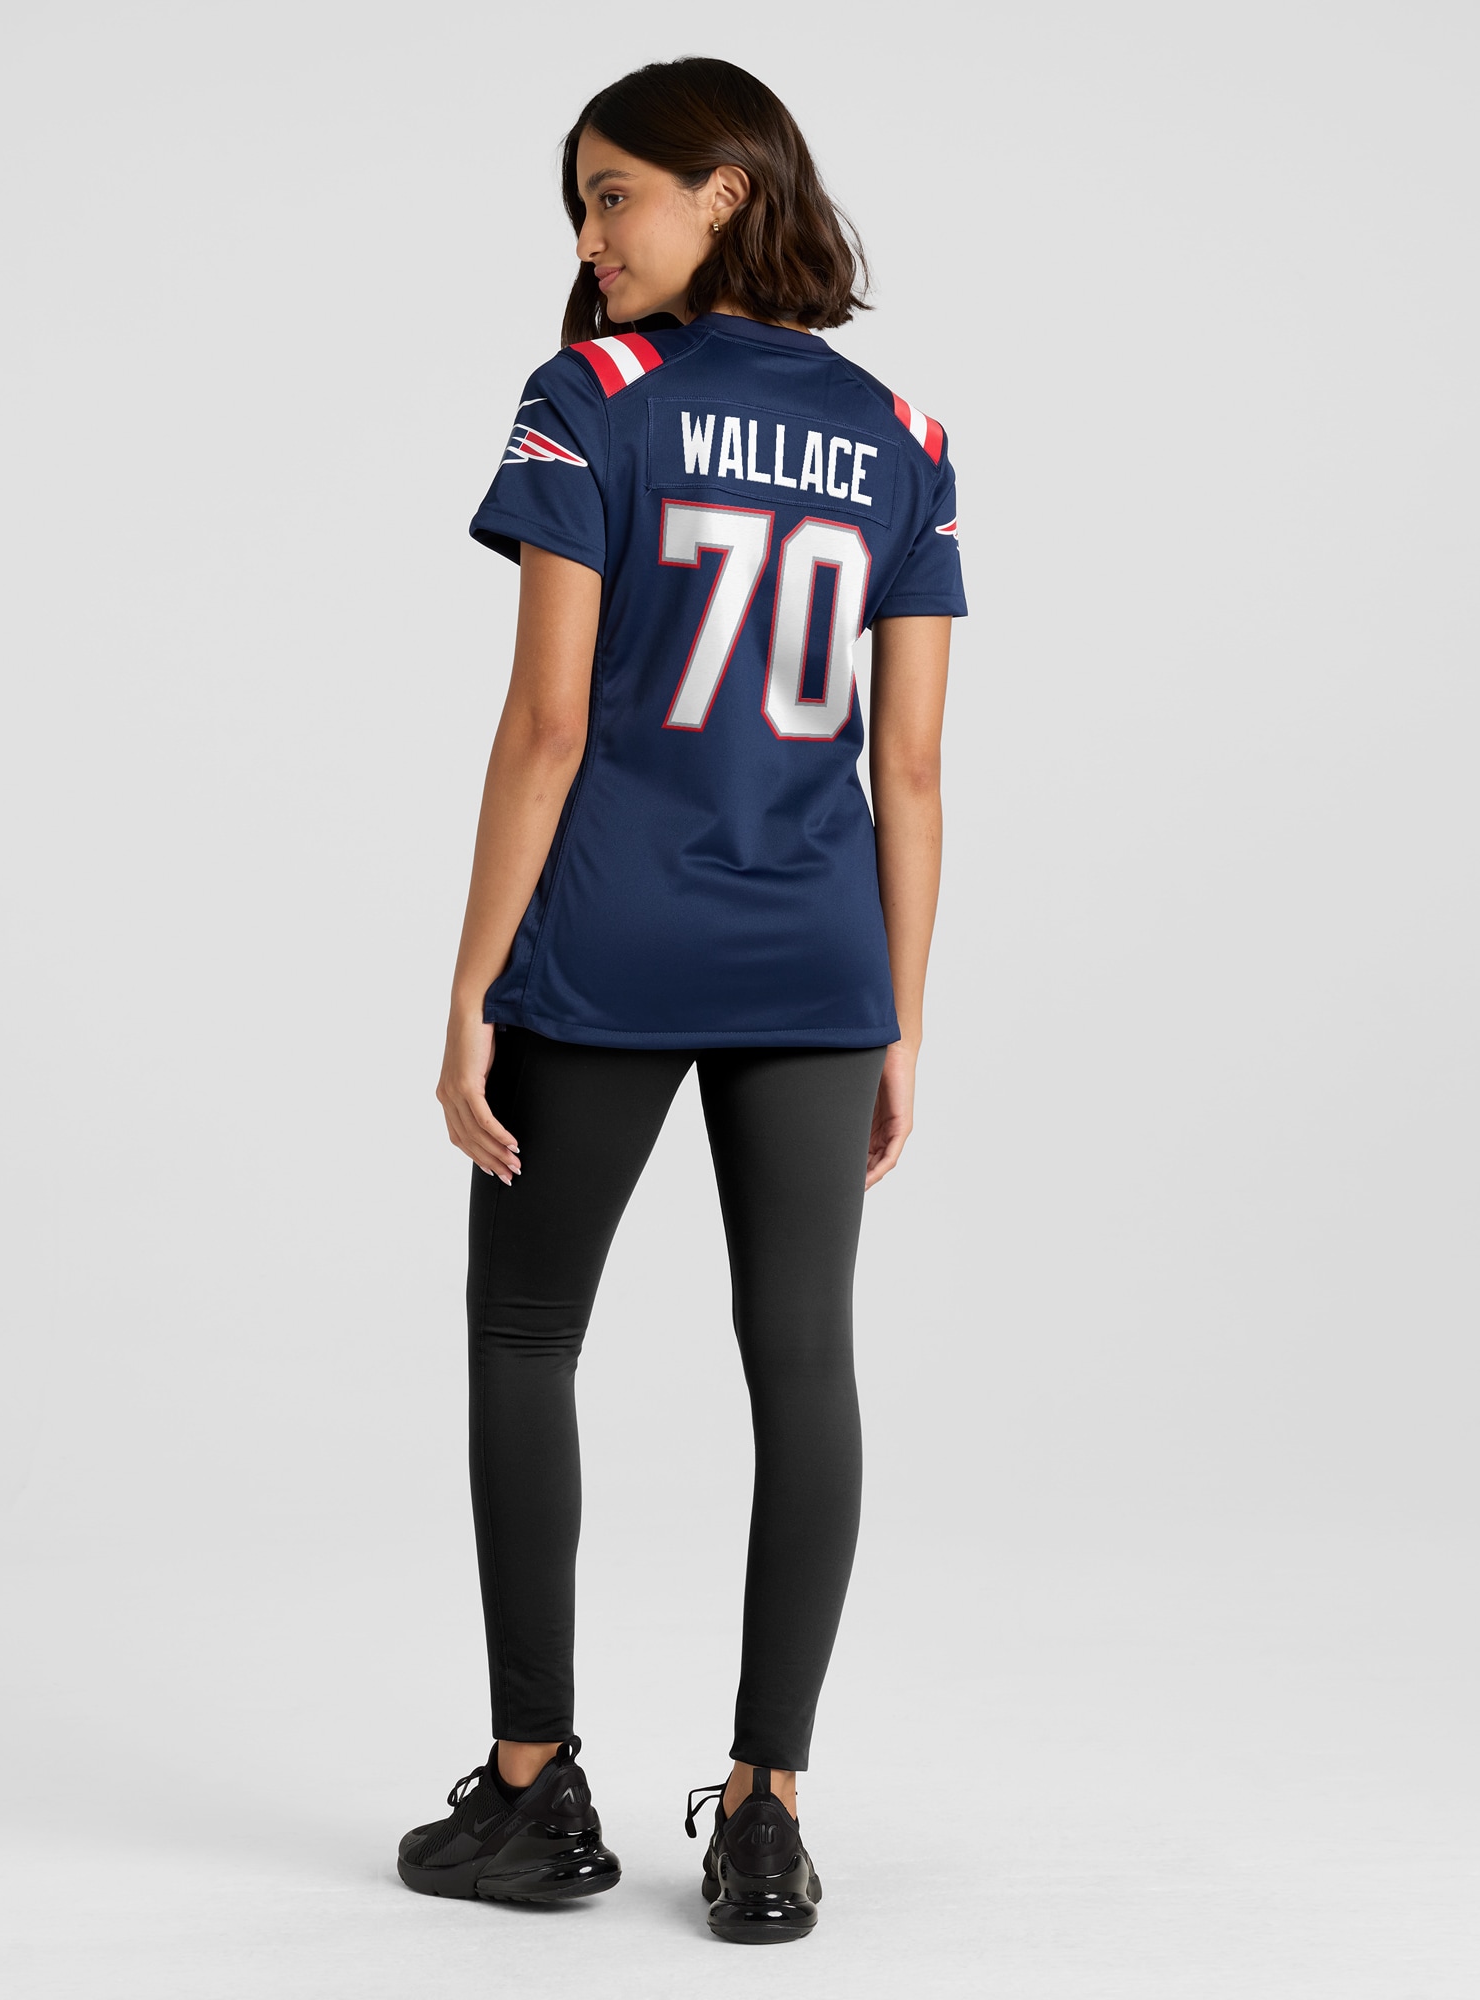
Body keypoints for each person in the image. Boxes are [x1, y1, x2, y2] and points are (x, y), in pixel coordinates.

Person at [395, 57, 963, 1945]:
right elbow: (910, 770)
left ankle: (534, 1793)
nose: (589, 237)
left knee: (523, 1334)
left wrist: (471, 987)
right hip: (817, 961)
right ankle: (767, 1812)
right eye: (580, 203)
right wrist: (897, 1014)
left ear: (725, 190)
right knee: (804, 1362)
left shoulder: (592, 400)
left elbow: (546, 725)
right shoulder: (903, 434)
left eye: (613, 193)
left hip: (611, 947)